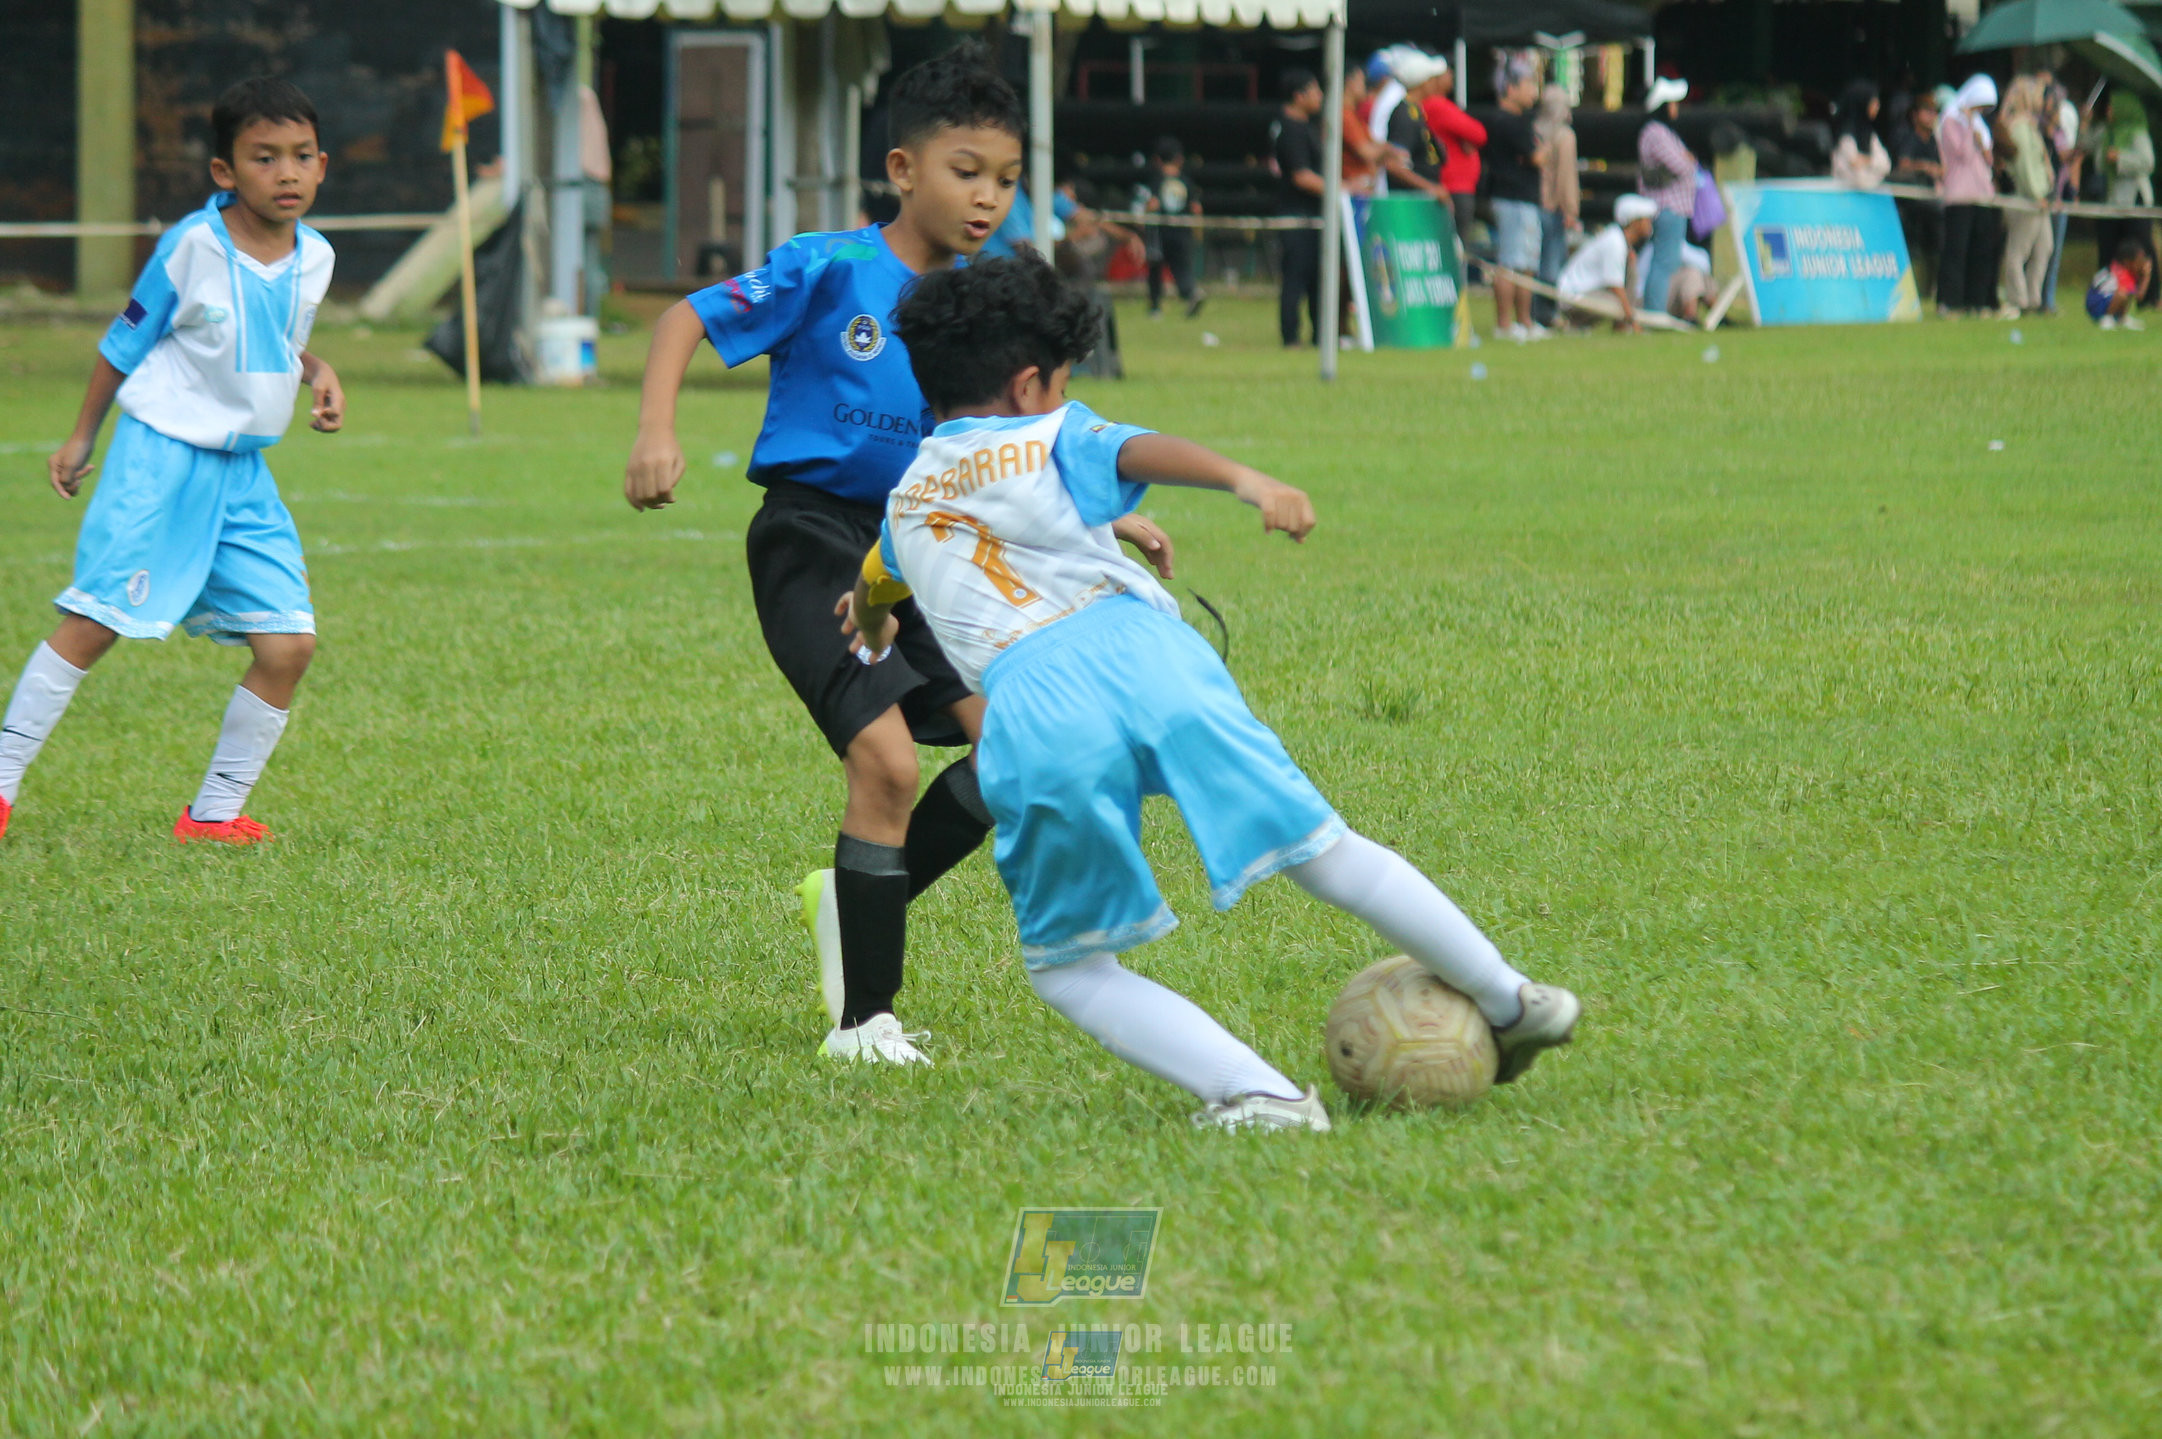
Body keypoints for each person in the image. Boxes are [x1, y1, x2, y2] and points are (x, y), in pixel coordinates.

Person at [846, 255, 1581, 1129]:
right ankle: (1509, 999)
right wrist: (1248, 480)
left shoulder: (905, 501)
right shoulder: (1046, 432)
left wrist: (876, 628)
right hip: (1154, 659)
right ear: (1030, 382)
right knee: (1325, 850)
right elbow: (1133, 447)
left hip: (1036, 712)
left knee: (1070, 970)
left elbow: (874, 588)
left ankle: (1260, 1096)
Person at [621, 44, 1171, 1066]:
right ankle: (862, 1022)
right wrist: (657, 428)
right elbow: (680, 320)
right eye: (966, 170)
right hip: (815, 538)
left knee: (1015, 751)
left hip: (926, 548)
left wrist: (1106, 516)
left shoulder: (985, 301)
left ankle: (855, 894)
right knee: (885, 761)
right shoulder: (827, 266)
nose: (988, 198)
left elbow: (1033, 431)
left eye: (1006, 179)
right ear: (902, 168)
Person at [4, 78, 341, 846]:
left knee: (289, 644)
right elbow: (127, 339)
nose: (285, 174)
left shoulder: (315, 256)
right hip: (160, 460)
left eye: (299, 157)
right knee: (95, 622)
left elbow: (271, 336)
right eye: (263, 158)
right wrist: (81, 435)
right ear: (225, 172)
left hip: (244, 476)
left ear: (322, 166)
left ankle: (212, 815)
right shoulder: (192, 246)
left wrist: (318, 371)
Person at [1484, 54, 1548, 341]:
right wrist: (1547, 150)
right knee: (1512, 262)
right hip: (1514, 199)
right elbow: (1535, 156)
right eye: (1527, 84)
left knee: (1525, 263)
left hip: (1517, 199)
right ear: (1510, 88)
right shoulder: (1510, 122)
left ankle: (1523, 321)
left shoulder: (1505, 121)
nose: (1533, 91)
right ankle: (1507, 324)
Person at [1270, 68, 1327, 347]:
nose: (1320, 96)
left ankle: (1321, 335)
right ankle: (1291, 336)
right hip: (1296, 214)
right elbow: (1301, 176)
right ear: (1298, 95)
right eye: (1315, 90)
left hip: (1313, 215)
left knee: (1318, 276)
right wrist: (1339, 190)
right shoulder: (1290, 129)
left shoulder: (1307, 126)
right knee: (1296, 275)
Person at [1936, 74, 2001, 317]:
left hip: (1981, 193)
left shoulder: (1980, 126)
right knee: (1957, 249)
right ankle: (1949, 301)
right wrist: (1968, 125)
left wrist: (1980, 138)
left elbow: (1988, 159)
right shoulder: (1950, 121)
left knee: (1981, 249)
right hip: (1959, 195)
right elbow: (1961, 152)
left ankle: (1978, 301)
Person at [2085, 91, 2156, 309]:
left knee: (2141, 248)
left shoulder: (2137, 133)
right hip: (2110, 199)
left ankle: (2150, 297)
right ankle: (2107, 296)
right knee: (2108, 247)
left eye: (2112, 107)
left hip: (2134, 199)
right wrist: (2084, 123)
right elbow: (2085, 144)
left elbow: (2148, 162)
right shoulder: (2105, 132)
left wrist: (2121, 158)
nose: (2108, 111)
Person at [1636, 77, 1699, 328]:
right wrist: (1688, 159)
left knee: (1666, 261)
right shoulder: (1656, 133)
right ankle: (1654, 315)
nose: (1676, 108)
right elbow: (1682, 165)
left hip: (1672, 207)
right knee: (1664, 263)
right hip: (1668, 207)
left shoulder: (1659, 133)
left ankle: (1658, 312)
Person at [1996, 76, 2055, 316]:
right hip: (2028, 199)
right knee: (2017, 253)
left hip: (2040, 198)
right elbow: (2025, 166)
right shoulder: (2019, 128)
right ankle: (2018, 299)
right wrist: (2036, 193)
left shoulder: (2029, 125)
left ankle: (2033, 297)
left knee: (2044, 248)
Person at [1558, 193, 1659, 329]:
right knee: (1617, 303)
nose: (1650, 224)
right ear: (1635, 222)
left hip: (1588, 293)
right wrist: (1634, 322)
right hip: (1572, 298)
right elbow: (1615, 286)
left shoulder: (1619, 240)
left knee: (1630, 282)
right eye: (1647, 220)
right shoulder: (1615, 243)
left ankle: (1617, 327)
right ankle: (1575, 323)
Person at [1133, 137, 1204, 318]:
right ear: (1179, 159)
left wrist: (1143, 220)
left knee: (1155, 269)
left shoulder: (1155, 181)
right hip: (1181, 232)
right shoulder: (1186, 182)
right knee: (1181, 267)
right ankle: (1190, 293)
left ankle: (1155, 306)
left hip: (1159, 232)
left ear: (1157, 159)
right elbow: (1196, 208)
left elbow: (1152, 204)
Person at [1421, 59, 1487, 250]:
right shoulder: (1437, 105)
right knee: (1454, 247)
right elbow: (1479, 133)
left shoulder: (1433, 106)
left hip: (1451, 186)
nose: (1451, 76)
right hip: (1454, 187)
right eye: (1447, 72)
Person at [1533, 83, 1580, 330]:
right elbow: (1566, 175)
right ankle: (1546, 313)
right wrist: (1570, 209)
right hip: (1553, 207)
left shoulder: (1535, 130)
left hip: (1532, 204)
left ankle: (1532, 312)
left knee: (1533, 260)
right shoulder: (1565, 135)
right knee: (1552, 261)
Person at [1890, 91, 1943, 303]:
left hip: (1931, 201)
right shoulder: (1909, 138)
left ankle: (1930, 288)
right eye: (1926, 111)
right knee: (1913, 247)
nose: (1931, 116)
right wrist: (1924, 167)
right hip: (1911, 203)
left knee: (1935, 244)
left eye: (1934, 112)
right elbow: (1903, 165)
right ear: (1915, 115)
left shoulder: (1933, 141)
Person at [2038, 72, 2080, 316]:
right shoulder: (2040, 131)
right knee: (2040, 250)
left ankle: (2048, 299)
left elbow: (2067, 160)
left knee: (2054, 251)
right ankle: (2035, 297)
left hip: (2059, 196)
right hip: (2042, 197)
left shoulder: (2061, 132)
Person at [1831, 80, 1891, 188]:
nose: (1878, 106)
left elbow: (1886, 165)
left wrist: (1867, 160)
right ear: (1862, 102)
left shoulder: (1870, 134)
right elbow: (1858, 177)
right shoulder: (1846, 136)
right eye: (1874, 102)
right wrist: (1873, 164)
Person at [2086, 236, 2152, 329]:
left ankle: (2121, 318)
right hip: (2097, 304)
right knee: (2122, 293)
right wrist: (2146, 276)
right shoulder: (2121, 273)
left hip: (2103, 299)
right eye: (2139, 261)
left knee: (2126, 293)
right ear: (2127, 262)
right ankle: (2106, 319)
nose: (2142, 264)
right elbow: (2139, 297)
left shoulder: (2121, 270)